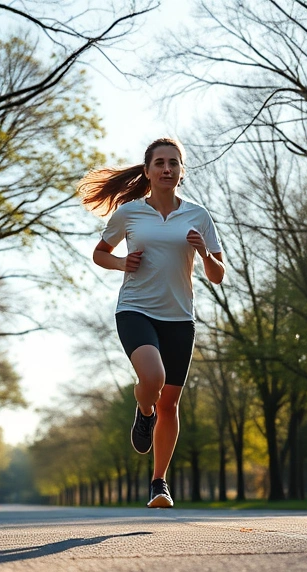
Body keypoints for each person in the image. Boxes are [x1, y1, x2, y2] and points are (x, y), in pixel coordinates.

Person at [79, 137, 225, 508]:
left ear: (181, 171)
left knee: (171, 405)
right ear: (147, 171)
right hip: (136, 309)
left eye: (173, 163)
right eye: (159, 162)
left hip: (180, 316)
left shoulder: (198, 216)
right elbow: (100, 253)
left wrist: (204, 253)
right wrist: (121, 263)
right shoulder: (129, 213)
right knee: (154, 381)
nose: (166, 169)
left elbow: (219, 274)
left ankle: (159, 483)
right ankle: (143, 410)